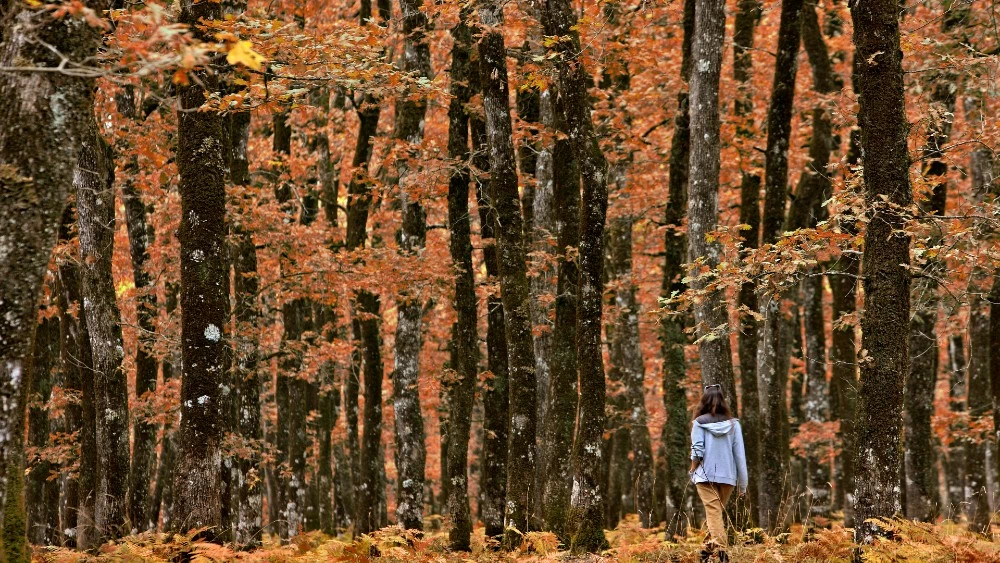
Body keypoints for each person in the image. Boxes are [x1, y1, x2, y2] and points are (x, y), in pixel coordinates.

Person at [689, 383, 748, 563]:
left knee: (714, 514)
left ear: (704, 401)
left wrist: (692, 469)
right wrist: (743, 483)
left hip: (705, 476)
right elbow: (740, 455)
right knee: (715, 514)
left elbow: (697, 451)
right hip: (728, 478)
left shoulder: (698, 423)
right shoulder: (734, 425)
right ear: (723, 401)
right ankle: (705, 553)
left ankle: (722, 553)